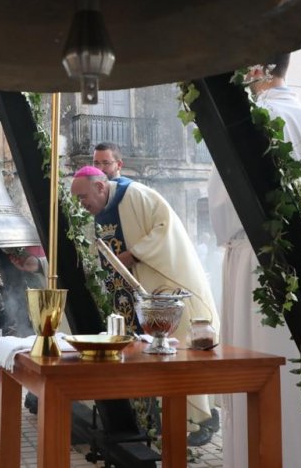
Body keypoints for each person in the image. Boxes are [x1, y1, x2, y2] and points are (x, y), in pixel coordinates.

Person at [208, 53, 301, 468]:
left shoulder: (249, 120)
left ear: (256, 69)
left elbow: (223, 206)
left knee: (262, 371)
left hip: (257, 266)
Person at [71, 165, 221, 446]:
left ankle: (200, 419)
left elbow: (166, 228)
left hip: (163, 292)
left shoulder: (137, 195)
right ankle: (154, 422)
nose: (81, 204)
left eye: (83, 197)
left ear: (100, 187)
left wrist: (135, 254)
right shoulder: (97, 213)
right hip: (127, 299)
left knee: (180, 354)